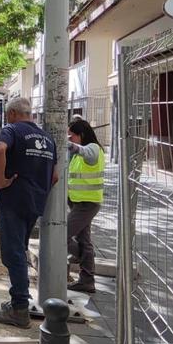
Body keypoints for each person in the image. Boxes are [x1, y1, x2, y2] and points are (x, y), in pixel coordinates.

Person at [0, 97, 57, 328]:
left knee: (13, 254)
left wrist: (1, 182)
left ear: (11, 114)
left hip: (13, 200)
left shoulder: (11, 129)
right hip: (35, 203)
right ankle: (19, 301)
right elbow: (55, 176)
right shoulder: (48, 138)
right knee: (20, 250)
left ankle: (19, 308)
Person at [67, 119, 104, 294]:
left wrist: (64, 143)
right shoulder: (77, 156)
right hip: (78, 203)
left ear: (81, 134)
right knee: (85, 241)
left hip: (86, 204)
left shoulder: (93, 149)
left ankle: (85, 256)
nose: (70, 139)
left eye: (71, 135)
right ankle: (87, 280)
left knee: (60, 236)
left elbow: (84, 151)